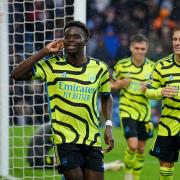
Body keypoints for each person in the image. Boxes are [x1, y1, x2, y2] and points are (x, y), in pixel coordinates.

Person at [11, 20, 114, 180]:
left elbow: (107, 97)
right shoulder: (51, 66)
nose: (71, 39)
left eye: (76, 37)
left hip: (92, 139)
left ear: (85, 41)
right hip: (65, 140)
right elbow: (16, 75)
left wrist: (108, 125)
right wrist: (44, 52)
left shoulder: (100, 68)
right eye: (67, 36)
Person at [111, 34, 155, 180]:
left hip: (144, 112)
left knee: (142, 149)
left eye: (143, 49)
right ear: (131, 48)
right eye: (137, 48)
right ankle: (128, 173)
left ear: (146, 49)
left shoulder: (152, 67)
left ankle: (135, 177)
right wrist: (120, 84)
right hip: (127, 109)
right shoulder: (122, 65)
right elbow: (111, 85)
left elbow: (156, 90)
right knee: (133, 145)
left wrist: (148, 89)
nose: (139, 51)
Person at [145, 25, 180, 180]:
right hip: (168, 124)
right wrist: (161, 92)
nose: (177, 43)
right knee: (165, 166)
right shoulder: (161, 65)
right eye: (175, 39)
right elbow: (148, 91)